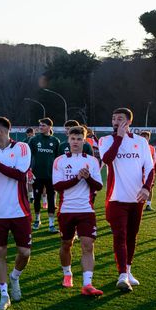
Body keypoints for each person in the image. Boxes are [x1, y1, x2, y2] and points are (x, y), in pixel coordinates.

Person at [98, 107, 155, 292]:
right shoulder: (105, 140)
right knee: (120, 235)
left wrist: (147, 188)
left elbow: (150, 168)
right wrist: (119, 138)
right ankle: (122, 274)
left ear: (129, 121)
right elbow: (107, 159)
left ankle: (128, 270)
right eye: (113, 118)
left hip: (136, 198)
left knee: (132, 235)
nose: (115, 121)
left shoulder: (140, 142)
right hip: (116, 198)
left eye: (120, 118)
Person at [0, 116, 32, 310]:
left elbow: (20, 175)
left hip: (19, 210)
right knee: (0, 252)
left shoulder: (21, 148)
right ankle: (4, 294)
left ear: (2, 131)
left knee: (24, 252)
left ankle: (14, 277)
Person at [52, 126, 104, 296]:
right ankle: (67, 274)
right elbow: (57, 186)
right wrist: (77, 178)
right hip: (66, 210)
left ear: (84, 140)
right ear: (68, 140)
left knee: (88, 245)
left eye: (79, 139)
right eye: (73, 139)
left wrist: (88, 177)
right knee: (66, 244)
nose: (75, 142)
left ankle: (87, 284)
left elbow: (99, 186)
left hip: (86, 211)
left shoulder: (92, 161)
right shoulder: (59, 160)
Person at [28, 118, 61, 233]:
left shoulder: (55, 141)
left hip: (51, 176)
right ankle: (37, 220)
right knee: (36, 198)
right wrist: (29, 170)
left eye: (43, 125)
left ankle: (51, 224)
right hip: (37, 175)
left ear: (49, 127)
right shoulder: (33, 140)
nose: (41, 127)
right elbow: (28, 157)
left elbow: (58, 159)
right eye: (40, 125)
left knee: (51, 199)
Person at [138, 130, 156, 211]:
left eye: (145, 137)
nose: (144, 138)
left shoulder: (152, 148)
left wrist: (153, 171)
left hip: (149, 171)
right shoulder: (136, 147)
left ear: (149, 138)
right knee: (137, 187)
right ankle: (137, 203)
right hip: (138, 171)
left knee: (150, 187)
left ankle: (148, 205)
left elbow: (154, 160)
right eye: (142, 136)